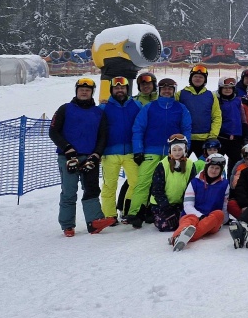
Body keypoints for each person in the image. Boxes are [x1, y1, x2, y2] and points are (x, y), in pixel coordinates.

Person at [49, 76, 113, 236]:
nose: (84, 92)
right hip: (69, 157)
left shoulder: (98, 113)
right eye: (81, 90)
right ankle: (67, 225)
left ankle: (94, 222)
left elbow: (103, 136)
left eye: (87, 90)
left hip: (89, 158)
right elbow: (53, 131)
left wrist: (96, 155)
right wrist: (67, 148)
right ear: (77, 91)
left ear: (92, 93)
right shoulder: (65, 109)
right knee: (69, 191)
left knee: (91, 189)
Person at [128, 77, 193, 227]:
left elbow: (186, 129)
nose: (166, 91)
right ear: (159, 90)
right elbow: (138, 128)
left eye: (170, 89)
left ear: (173, 91)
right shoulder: (150, 107)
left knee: (170, 184)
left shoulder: (180, 108)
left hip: (173, 152)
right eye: (163, 88)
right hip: (151, 150)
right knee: (143, 181)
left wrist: (185, 148)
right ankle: (135, 212)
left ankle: (158, 210)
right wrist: (138, 150)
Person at [99, 76, 142, 221]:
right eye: (116, 88)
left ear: (127, 89)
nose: (119, 90)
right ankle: (109, 215)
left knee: (136, 183)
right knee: (109, 185)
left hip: (131, 152)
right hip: (110, 153)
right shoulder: (103, 107)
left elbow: (143, 126)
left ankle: (127, 210)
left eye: (122, 88)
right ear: (112, 89)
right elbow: (95, 129)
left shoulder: (136, 105)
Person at [170, 153, 229, 251]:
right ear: (206, 167)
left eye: (217, 168)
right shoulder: (194, 182)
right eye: (212, 167)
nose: (214, 171)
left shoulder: (225, 184)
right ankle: (177, 237)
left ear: (221, 170)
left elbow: (224, 205)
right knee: (190, 219)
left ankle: (183, 237)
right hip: (193, 216)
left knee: (219, 214)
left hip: (210, 221)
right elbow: (188, 205)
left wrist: (225, 220)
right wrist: (200, 216)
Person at [147, 134, 196, 232]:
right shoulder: (162, 165)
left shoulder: (190, 165)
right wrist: (166, 208)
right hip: (161, 205)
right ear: (170, 151)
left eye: (180, 149)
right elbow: (157, 190)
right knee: (167, 226)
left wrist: (186, 205)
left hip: (179, 204)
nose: (177, 153)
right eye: (174, 150)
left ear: (185, 150)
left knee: (188, 221)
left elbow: (191, 187)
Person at [177, 64, 221, 158]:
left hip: (205, 139)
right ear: (191, 78)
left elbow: (216, 116)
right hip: (185, 138)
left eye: (201, 77)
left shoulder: (211, 96)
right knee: (181, 167)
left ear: (205, 80)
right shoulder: (180, 94)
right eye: (195, 76)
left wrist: (213, 136)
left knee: (206, 167)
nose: (198, 79)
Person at [216, 77, 246, 161]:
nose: (227, 90)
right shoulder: (217, 101)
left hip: (236, 138)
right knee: (217, 161)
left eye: (230, 88)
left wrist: (244, 135)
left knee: (236, 162)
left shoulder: (237, 101)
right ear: (220, 89)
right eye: (225, 88)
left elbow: (243, 119)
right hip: (221, 137)